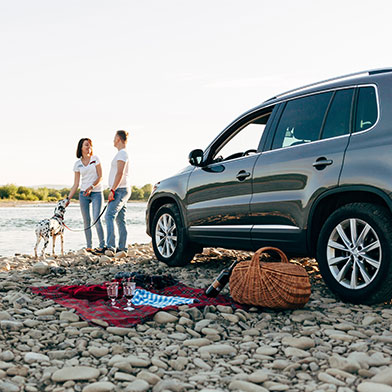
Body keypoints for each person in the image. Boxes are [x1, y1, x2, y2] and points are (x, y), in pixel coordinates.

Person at [66, 138, 105, 253]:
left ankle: (102, 245)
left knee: (96, 218)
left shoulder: (95, 159)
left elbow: (100, 177)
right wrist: (68, 199)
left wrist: (91, 187)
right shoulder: (77, 164)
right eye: (86, 145)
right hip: (83, 194)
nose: (89, 147)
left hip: (96, 192)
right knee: (86, 220)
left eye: (90, 145)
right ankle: (89, 246)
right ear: (81, 148)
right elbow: (76, 184)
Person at [103, 130, 131, 255]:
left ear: (118, 139)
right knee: (120, 219)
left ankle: (111, 246)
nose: (113, 140)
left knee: (109, 216)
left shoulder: (122, 154)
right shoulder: (122, 154)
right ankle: (122, 247)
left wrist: (113, 190)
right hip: (121, 189)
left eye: (114, 138)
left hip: (120, 189)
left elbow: (120, 173)